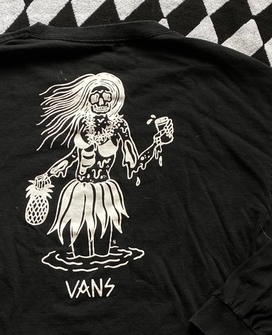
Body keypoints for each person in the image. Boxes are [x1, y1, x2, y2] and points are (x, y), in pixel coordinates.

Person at [25, 72, 174, 270]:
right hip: (78, 191)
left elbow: (135, 163)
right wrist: (47, 174)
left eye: (106, 97)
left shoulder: (120, 126)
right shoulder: (81, 123)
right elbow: (72, 156)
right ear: (89, 100)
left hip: (105, 192)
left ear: (113, 100)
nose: (102, 101)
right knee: (79, 252)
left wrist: (157, 143)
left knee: (103, 252)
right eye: (96, 97)